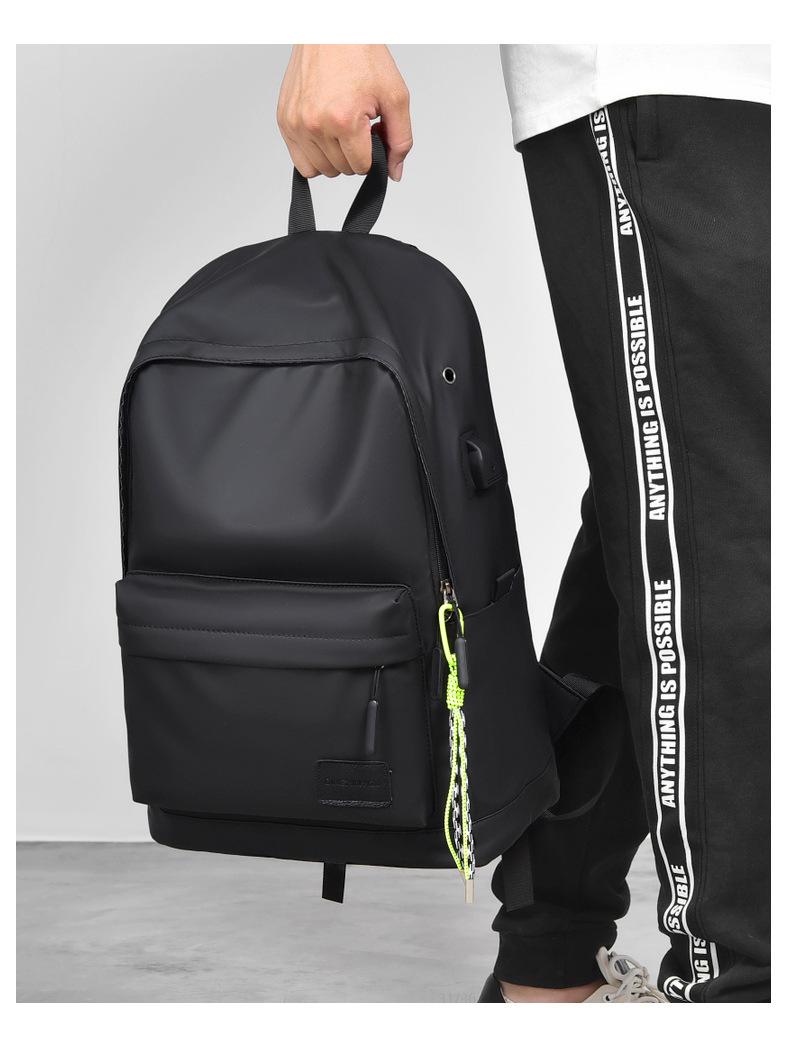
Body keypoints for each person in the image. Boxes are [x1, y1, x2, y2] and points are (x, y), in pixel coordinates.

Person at [276, 44, 770, 1003]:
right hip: (667, 65)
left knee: (691, 497)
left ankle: (549, 963)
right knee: (722, 522)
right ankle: (742, 990)